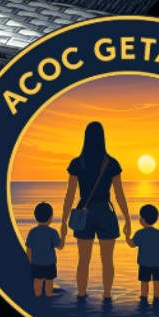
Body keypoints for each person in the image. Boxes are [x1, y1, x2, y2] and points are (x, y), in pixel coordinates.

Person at [59, 120, 130, 301]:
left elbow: (70, 195)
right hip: (105, 212)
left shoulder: (77, 163)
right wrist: (127, 220)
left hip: (84, 212)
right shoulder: (112, 163)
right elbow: (119, 195)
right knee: (107, 261)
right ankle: (107, 297)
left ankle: (82, 296)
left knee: (83, 260)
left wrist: (63, 223)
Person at [130, 204, 159, 304]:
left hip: (144, 263)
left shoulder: (140, 233)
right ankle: (157, 298)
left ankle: (144, 298)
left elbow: (133, 244)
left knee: (144, 282)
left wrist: (127, 236)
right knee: (157, 281)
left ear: (143, 219)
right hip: (157, 263)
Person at [24, 201, 60, 297]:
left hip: (36, 263)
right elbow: (59, 246)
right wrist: (63, 237)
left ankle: (37, 294)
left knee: (37, 280)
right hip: (50, 263)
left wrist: (30, 262)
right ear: (51, 217)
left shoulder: (32, 232)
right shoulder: (53, 232)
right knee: (49, 280)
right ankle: (49, 293)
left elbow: (29, 249)